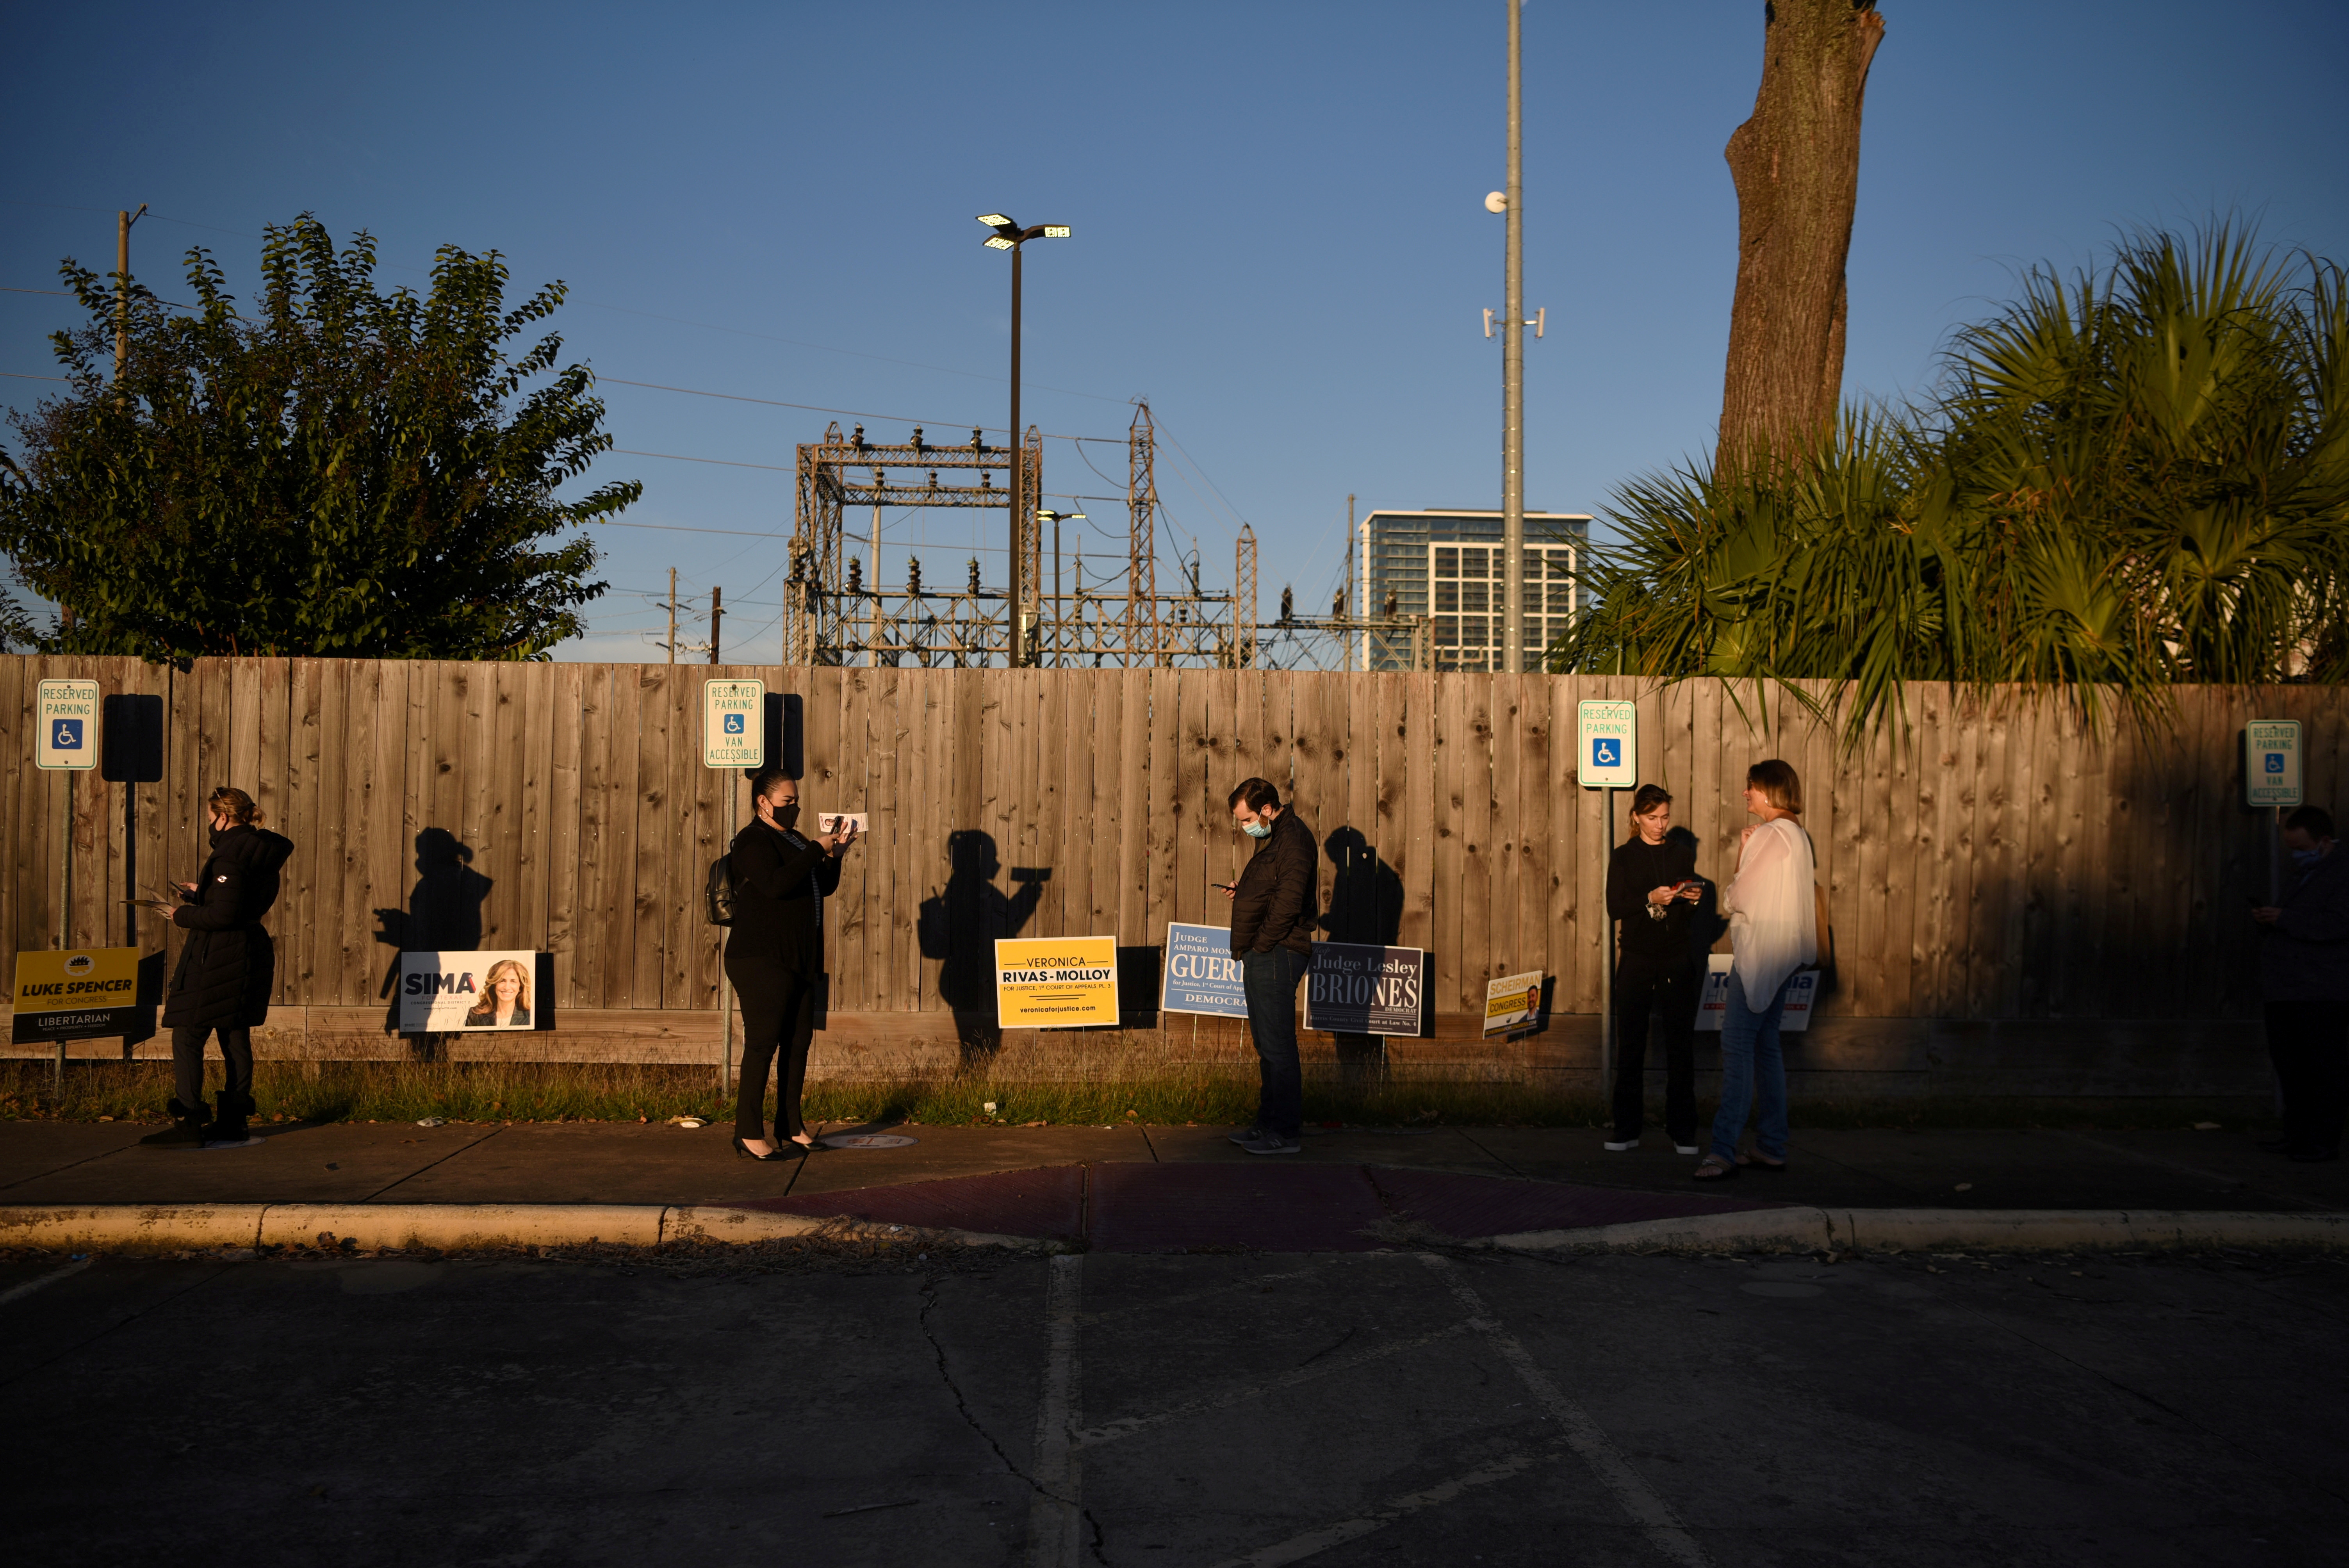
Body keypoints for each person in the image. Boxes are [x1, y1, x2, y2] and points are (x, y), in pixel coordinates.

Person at [141, 786, 294, 1149]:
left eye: (211, 819)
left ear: (224, 817)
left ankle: (188, 1122)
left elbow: (223, 915)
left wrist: (182, 914)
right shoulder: (261, 850)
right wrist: (203, 893)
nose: (211, 825)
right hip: (250, 950)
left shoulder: (229, 857)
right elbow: (240, 902)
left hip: (218, 955)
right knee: (234, 1035)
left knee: (188, 1034)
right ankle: (233, 1123)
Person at [725, 768, 856, 1160]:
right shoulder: (752, 841)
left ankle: (790, 1124)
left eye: (797, 800)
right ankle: (748, 1132)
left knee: (798, 1042)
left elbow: (821, 885)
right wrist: (817, 849)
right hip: (760, 958)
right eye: (787, 801)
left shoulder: (796, 839)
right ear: (763, 802)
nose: (795, 807)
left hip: (799, 957)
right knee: (763, 1043)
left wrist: (835, 855)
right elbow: (776, 884)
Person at [1694, 759, 1816, 1181]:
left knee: (1738, 1046)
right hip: (1786, 956)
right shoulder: (1798, 834)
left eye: (1751, 786)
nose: (1745, 793)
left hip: (1760, 958)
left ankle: (1722, 1150)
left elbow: (1737, 897)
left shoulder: (1769, 833)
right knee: (1766, 1048)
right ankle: (1771, 1145)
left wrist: (1743, 853)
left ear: (1769, 790)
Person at [1604, 785, 1703, 1154]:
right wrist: (1650, 898)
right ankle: (1626, 1128)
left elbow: (1686, 913)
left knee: (1680, 1045)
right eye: (1652, 818)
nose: (1660, 825)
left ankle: (1683, 1130)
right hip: (1637, 957)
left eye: (1664, 817)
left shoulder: (1681, 854)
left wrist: (1691, 899)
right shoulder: (1624, 856)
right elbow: (1616, 907)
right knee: (1631, 1044)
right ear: (1636, 817)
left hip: (1676, 957)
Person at [1224, 777, 1317, 1156]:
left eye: (1246, 819)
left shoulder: (1292, 838)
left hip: (1278, 951)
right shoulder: (1277, 837)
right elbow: (1274, 888)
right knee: (1266, 1043)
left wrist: (1261, 945)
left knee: (1278, 1045)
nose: (1245, 827)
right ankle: (1267, 1124)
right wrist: (1243, 890)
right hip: (1267, 950)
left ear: (1266, 808)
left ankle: (1284, 1132)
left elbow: (1289, 902)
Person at [2251, 805, 2349, 1162]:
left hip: (2322, 988)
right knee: (2291, 1066)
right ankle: (2296, 1134)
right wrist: (2270, 921)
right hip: (2287, 987)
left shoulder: (2340, 873)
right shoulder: (2303, 873)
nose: (2297, 854)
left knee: (2323, 1067)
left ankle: (2322, 1140)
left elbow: (2338, 924)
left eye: (2302, 846)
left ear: (2324, 842)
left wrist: (2287, 919)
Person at [462, 959, 533, 1028]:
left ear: (521, 987)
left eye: (513, 982)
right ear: (494, 985)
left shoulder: (531, 1016)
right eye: (502, 981)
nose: (507, 987)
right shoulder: (475, 1015)